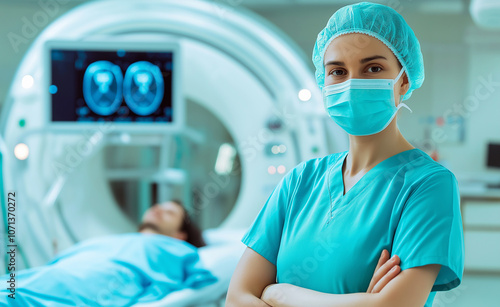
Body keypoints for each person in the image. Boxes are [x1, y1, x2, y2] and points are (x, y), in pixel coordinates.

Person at [226, 2, 464, 307]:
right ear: (323, 82)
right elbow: (236, 298)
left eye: (373, 68)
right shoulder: (299, 181)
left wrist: (279, 293)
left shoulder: (428, 185)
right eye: (337, 71)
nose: (352, 83)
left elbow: (393, 306)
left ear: (403, 80)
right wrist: (359, 301)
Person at [1, 200, 216, 306]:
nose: (158, 209)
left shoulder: (175, 249)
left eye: (169, 212)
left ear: (180, 235)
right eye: (158, 206)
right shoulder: (112, 240)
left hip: (94, 283)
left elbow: (194, 276)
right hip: (49, 275)